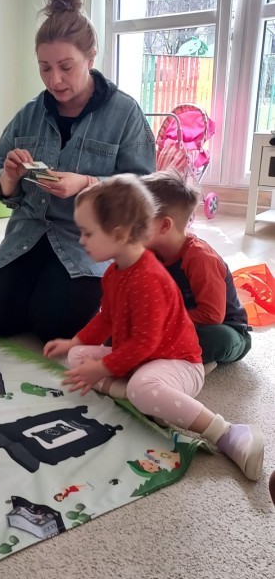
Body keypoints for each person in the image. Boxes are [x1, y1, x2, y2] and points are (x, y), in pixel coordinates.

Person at [42, 175, 264, 481]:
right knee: (79, 357)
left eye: (88, 233)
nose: (80, 240)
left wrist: (104, 367)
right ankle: (135, 394)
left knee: (137, 383)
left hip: (180, 358)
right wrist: (73, 343)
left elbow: (146, 341)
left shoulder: (152, 275)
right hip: (151, 355)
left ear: (118, 234)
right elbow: (107, 317)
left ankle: (226, 432)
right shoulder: (115, 272)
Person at [0, 0, 156, 342]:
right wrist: (9, 178)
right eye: (44, 68)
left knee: (54, 324)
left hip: (86, 240)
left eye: (65, 67)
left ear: (91, 57)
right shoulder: (29, 114)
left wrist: (88, 185)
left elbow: (145, 189)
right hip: (29, 232)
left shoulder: (124, 112)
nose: (54, 79)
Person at [141, 169, 251, 369]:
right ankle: (171, 356)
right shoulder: (150, 253)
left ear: (164, 226)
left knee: (218, 339)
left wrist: (161, 321)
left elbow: (212, 315)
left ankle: (185, 363)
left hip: (222, 328)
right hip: (177, 323)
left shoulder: (200, 258)